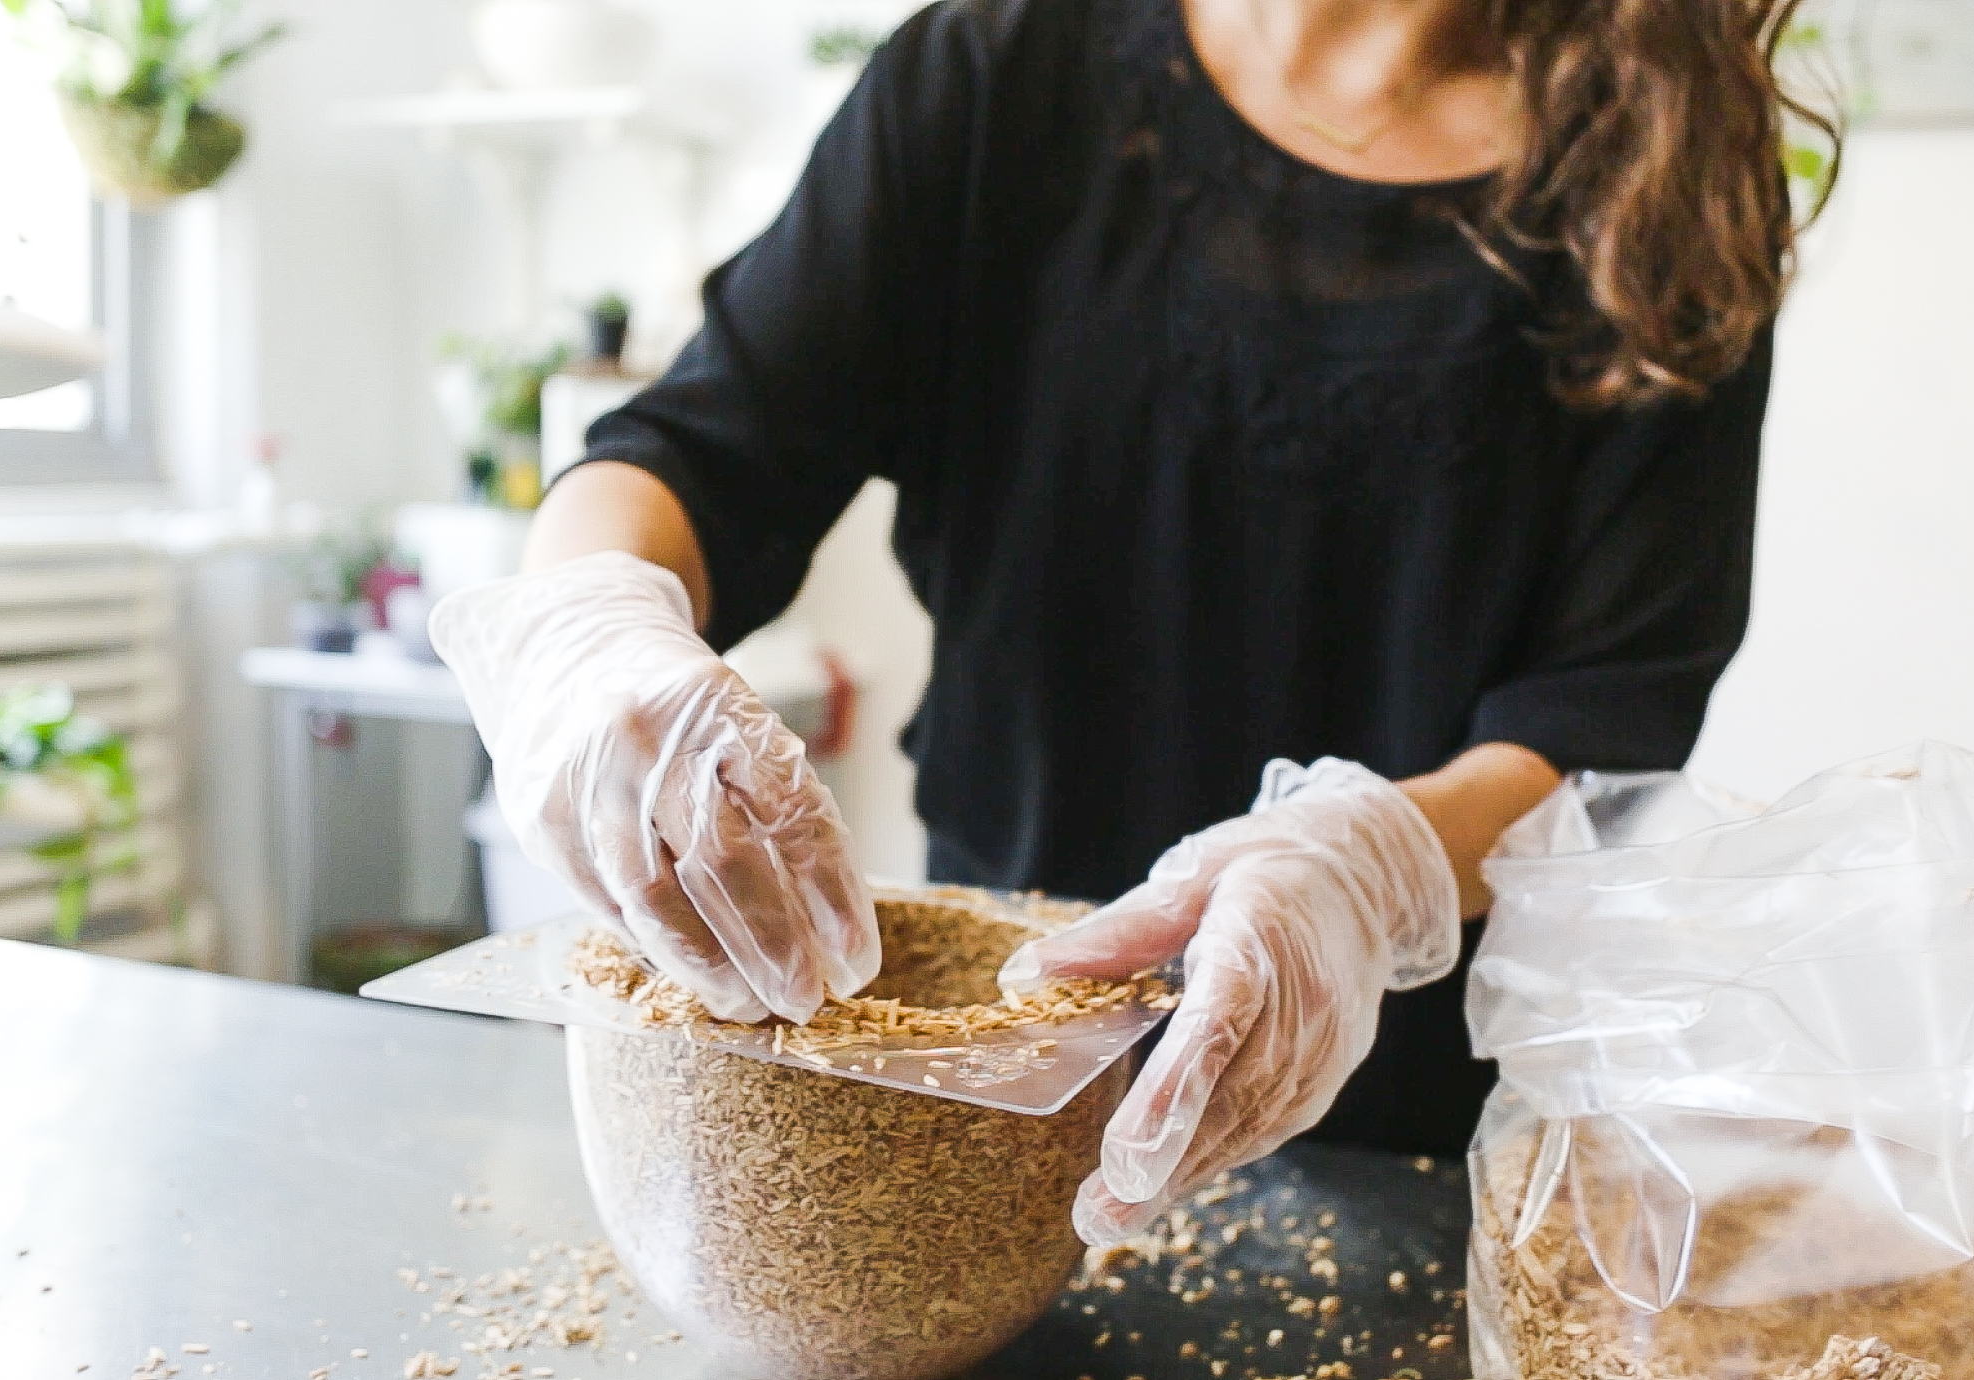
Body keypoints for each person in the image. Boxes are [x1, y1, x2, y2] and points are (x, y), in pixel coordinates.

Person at [432, 0, 1830, 1247]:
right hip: (983, 1056)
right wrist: (589, 630)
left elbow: (1605, 707)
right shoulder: (995, 74)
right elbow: (694, 450)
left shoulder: (1663, 174)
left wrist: (1367, 871)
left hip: (1395, 1117)